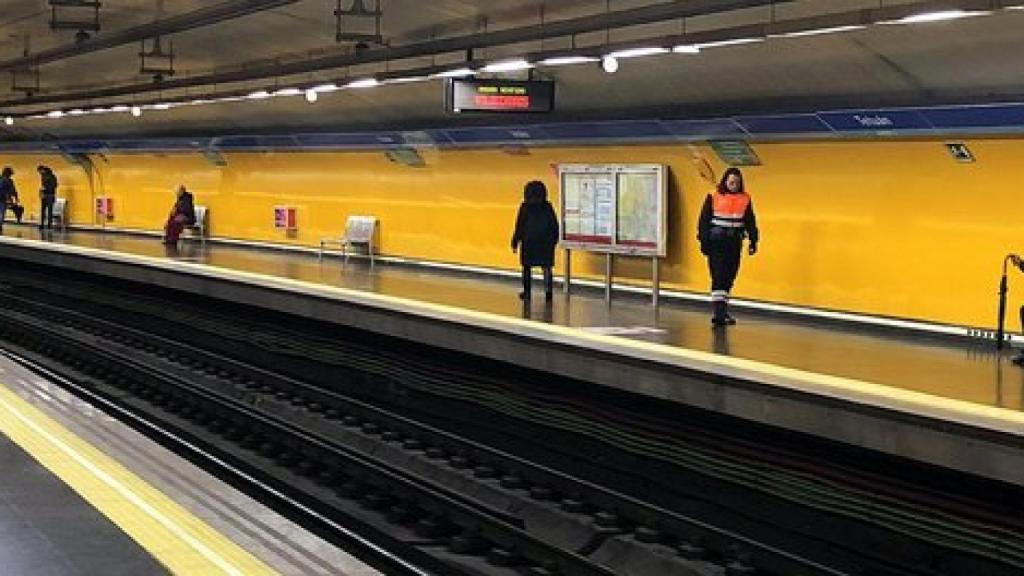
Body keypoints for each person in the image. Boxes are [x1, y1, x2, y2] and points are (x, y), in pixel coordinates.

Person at [698, 167, 759, 326]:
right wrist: (704, 242)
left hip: (734, 243)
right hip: (717, 243)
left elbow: (750, 220)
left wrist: (753, 240)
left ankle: (722, 311)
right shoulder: (713, 196)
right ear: (725, 181)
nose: (734, 185)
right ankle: (719, 314)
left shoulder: (745, 198)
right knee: (719, 276)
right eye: (731, 182)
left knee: (730, 276)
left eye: (737, 183)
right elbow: (704, 221)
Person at [511, 180, 559, 301]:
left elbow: (520, 225)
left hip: (529, 241)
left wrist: (515, 241)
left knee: (527, 267)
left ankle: (527, 292)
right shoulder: (547, 206)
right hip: (546, 241)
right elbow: (554, 224)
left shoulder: (525, 207)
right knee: (546, 267)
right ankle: (548, 292)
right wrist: (554, 239)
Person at [37, 165, 58, 230]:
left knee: (49, 210)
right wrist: (41, 191)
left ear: (43, 170)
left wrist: (46, 188)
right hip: (44, 195)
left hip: (50, 195)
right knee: (43, 210)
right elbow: (43, 185)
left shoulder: (52, 176)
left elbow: (54, 185)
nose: (39, 173)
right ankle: (42, 224)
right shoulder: (43, 176)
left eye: (40, 171)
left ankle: (49, 224)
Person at [0, 166, 19, 232]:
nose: (10, 175)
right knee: (2, 212)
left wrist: (15, 197)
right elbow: (12, 190)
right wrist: (15, 197)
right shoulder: (8, 181)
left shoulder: (7, 180)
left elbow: (13, 190)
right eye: (10, 174)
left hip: (4, 199)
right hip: (4, 199)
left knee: (2, 212)